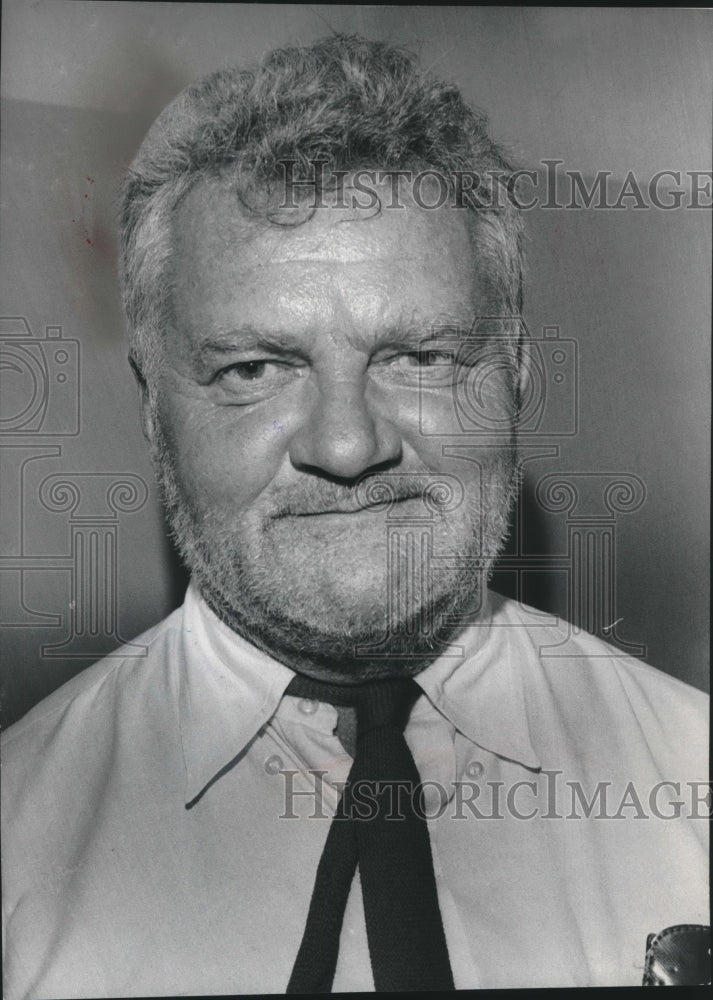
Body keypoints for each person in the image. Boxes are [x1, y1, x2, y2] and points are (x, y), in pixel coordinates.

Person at [1, 34, 708, 996]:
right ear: (152, 409)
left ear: (518, 382)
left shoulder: (687, 783)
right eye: (254, 369)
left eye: (419, 357)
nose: (345, 447)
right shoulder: (17, 841)